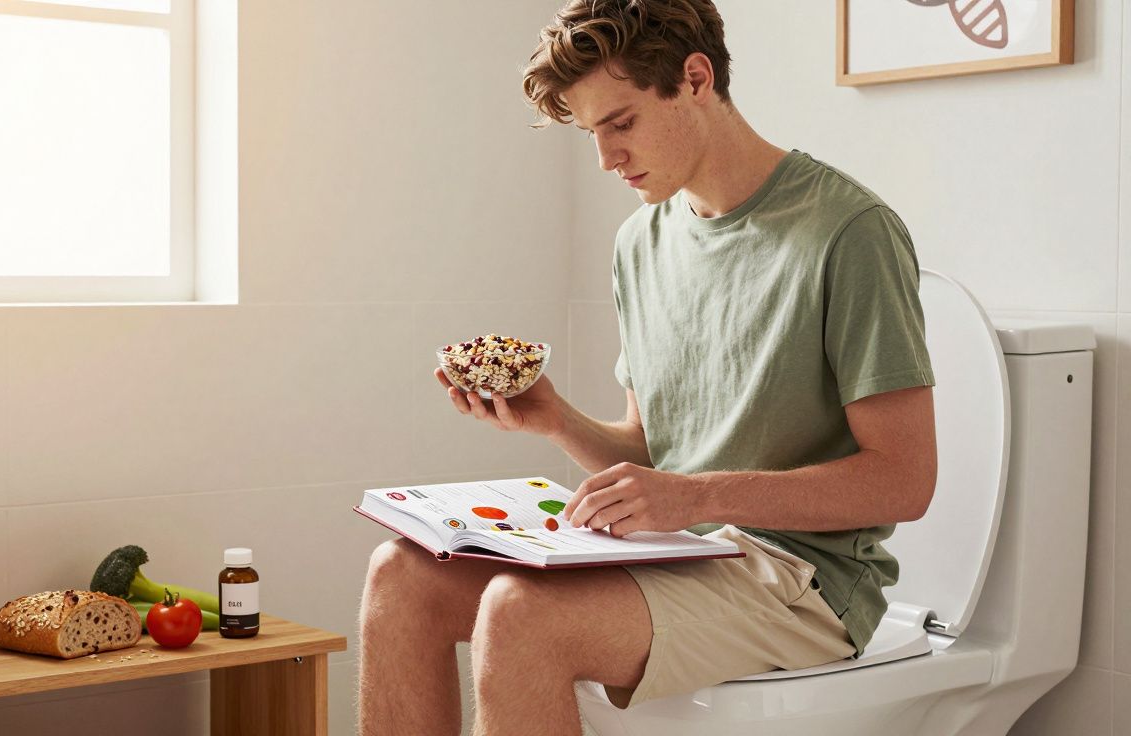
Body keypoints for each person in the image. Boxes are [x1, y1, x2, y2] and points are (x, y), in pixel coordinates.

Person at [357, 1, 938, 734]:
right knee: (401, 576)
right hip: (681, 553)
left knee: (521, 614)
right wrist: (557, 419)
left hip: (803, 581)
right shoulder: (642, 240)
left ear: (696, 79)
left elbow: (904, 481)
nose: (605, 158)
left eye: (621, 122)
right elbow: (653, 457)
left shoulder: (849, 232)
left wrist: (691, 499)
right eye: (591, 132)